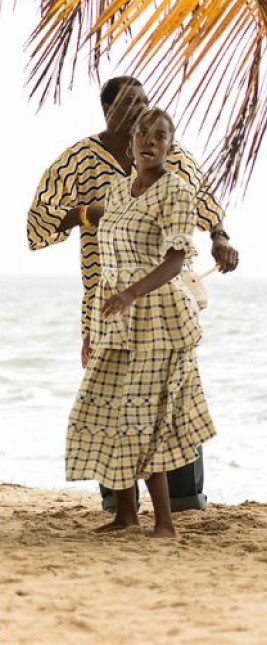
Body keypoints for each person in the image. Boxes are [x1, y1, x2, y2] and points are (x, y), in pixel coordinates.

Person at [26, 76, 238, 512]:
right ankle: (120, 505)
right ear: (108, 111)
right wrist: (88, 213)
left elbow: (205, 203)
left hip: (163, 303)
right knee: (110, 397)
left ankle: (183, 501)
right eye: (130, 104)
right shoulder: (78, 161)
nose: (142, 111)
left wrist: (220, 237)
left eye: (146, 102)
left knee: (171, 394)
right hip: (105, 301)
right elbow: (38, 226)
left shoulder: (172, 156)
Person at [66, 107, 217, 537]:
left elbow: (175, 260)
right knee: (105, 410)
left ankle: (165, 523)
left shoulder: (177, 192)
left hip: (160, 320)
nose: (150, 141)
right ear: (131, 142)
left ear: (170, 145)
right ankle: (126, 514)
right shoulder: (117, 192)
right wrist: (72, 215)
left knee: (146, 417)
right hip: (114, 318)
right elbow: (99, 228)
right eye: (143, 134)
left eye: (160, 136)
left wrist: (133, 292)